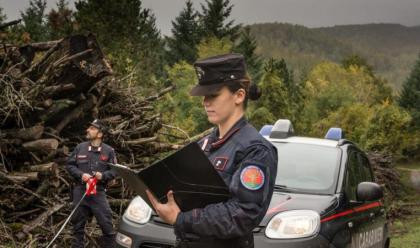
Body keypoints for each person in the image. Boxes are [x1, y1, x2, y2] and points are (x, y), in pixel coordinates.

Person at [146, 53, 278, 248]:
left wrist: (182, 219)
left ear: (239, 96)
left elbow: (242, 214)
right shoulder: (205, 144)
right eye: (204, 95)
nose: (205, 101)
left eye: (214, 94)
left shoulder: (255, 150)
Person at [66, 119, 117, 248]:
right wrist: (81, 175)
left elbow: (115, 170)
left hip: (98, 193)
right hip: (80, 191)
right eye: (89, 128)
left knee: (107, 226)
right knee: (77, 227)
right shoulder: (80, 147)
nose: (88, 130)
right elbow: (70, 165)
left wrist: (103, 175)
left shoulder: (109, 151)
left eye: (92, 129)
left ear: (100, 134)